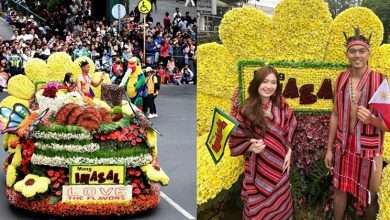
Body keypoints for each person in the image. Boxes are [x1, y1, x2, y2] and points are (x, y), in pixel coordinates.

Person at [324, 28, 390, 219]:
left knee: (370, 196)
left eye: (362, 51)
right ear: (346, 54)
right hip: (343, 146)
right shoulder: (341, 79)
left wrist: (371, 119)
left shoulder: (380, 81)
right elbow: (335, 114)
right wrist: (329, 149)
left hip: (369, 150)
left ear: (369, 53)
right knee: (338, 189)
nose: (357, 55)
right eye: (353, 51)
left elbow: (388, 124)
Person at [229, 66, 297, 219]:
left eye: (273, 82)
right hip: (257, 167)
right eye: (265, 81)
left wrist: (289, 150)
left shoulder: (281, 103)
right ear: (257, 83)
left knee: (280, 206)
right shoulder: (246, 109)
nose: (269, 86)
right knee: (258, 210)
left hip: (280, 164)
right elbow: (236, 139)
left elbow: (290, 126)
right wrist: (250, 146)